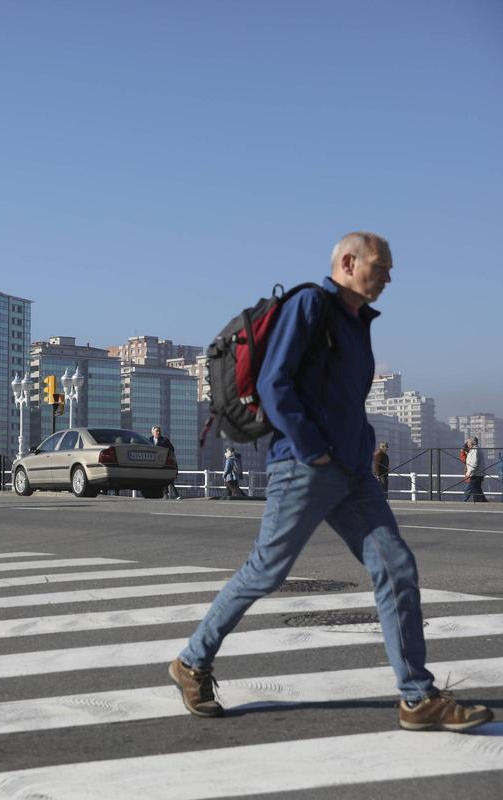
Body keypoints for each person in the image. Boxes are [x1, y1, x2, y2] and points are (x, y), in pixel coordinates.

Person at [169, 232, 491, 732]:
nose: (388, 277)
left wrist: (356, 448)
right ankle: (192, 661)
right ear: (348, 262)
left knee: (396, 566)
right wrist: (312, 448)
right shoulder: (310, 306)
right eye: (381, 267)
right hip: (305, 467)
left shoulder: (357, 322)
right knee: (266, 571)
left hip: (353, 471)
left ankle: (417, 696)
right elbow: (274, 382)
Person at [150, 426, 181, 499]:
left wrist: (165, 455)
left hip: (163, 463)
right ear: (152, 432)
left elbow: (172, 449)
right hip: (153, 464)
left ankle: (171, 494)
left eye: (159, 431)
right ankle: (165, 494)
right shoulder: (149, 440)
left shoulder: (164, 440)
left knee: (167, 479)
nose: (158, 432)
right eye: (157, 431)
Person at [463, 437, 487, 502]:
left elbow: (474, 463)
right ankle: (483, 502)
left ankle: (481, 502)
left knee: (476, 490)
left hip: (476, 473)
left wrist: (468, 472)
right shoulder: (475, 449)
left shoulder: (474, 450)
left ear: (471, 443)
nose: (467, 444)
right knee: (477, 489)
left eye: (468, 442)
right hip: (478, 473)